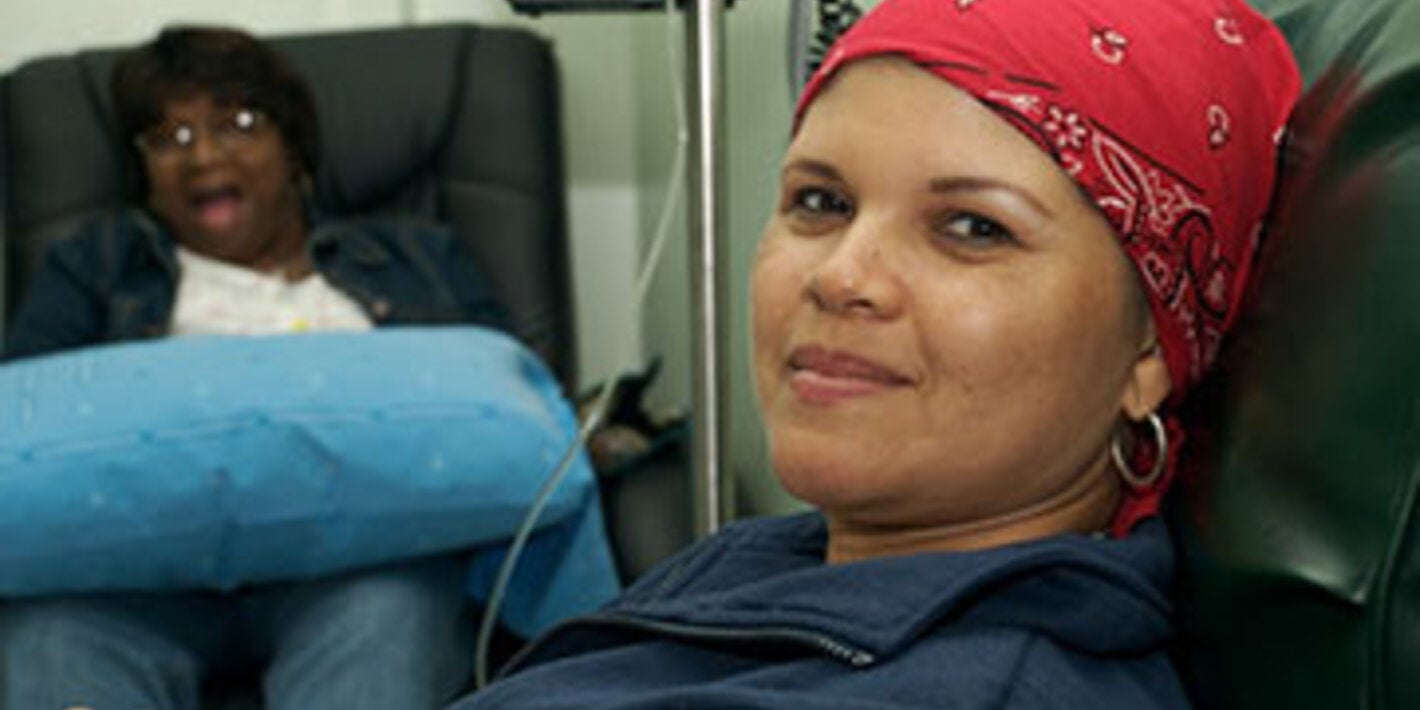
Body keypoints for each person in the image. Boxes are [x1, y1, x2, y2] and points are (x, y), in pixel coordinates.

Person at [448, 0, 1301, 707]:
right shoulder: (782, 574)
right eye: (821, 202)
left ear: (1149, 354)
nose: (841, 275)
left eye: (973, 227)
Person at [0, 26, 508, 708]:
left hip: (359, 571)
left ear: (294, 147)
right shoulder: (96, 267)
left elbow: (503, 401)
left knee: (389, 621)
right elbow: (21, 422)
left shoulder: (418, 258)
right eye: (169, 138)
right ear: (143, 174)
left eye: (237, 124)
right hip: (130, 584)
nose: (203, 156)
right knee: (50, 644)